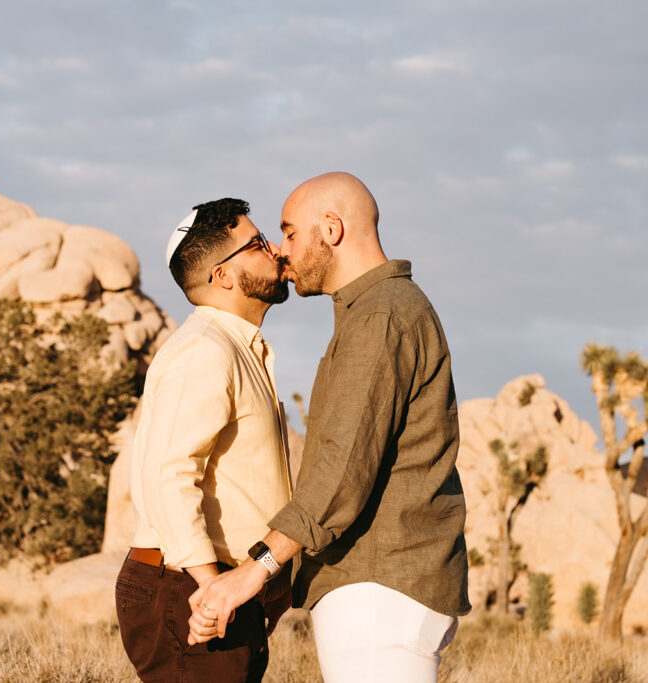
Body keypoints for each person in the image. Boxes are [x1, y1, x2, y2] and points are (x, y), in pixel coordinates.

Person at [187, 173, 471, 683]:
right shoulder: (375, 312)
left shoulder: (380, 316)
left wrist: (252, 574)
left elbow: (341, 470)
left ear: (333, 229)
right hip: (380, 588)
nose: (281, 249)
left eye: (290, 232)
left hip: (379, 588)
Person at [116, 198, 294, 683]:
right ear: (223, 276)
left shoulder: (238, 349)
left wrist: (266, 585)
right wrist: (210, 584)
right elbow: (169, 474)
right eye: (257, 244)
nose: (277, 250)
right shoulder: (205, 351)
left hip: (216, 586)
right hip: (186, 588)